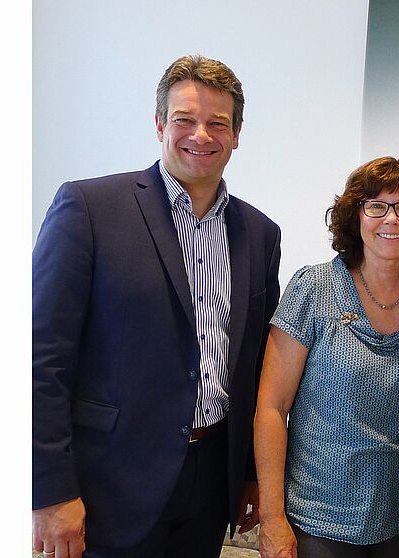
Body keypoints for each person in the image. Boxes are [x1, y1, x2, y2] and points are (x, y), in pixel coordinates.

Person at [32, 54, 281, 558]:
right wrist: (51, 491)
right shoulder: (88, 209)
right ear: (160, 124)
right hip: (110, 483)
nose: (201, 135)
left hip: (212, 481)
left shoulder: (260, 234)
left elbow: (255, 364)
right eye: (185, 120)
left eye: (218, 123)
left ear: (237, 134)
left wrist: (251, 474)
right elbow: (41, 359)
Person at [254, 156, 399, 558]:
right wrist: (273, 517)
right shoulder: (313, 288)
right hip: (316, 523)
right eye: (376, 206)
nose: (391, 219)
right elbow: (272, 407)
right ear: (355, 216)